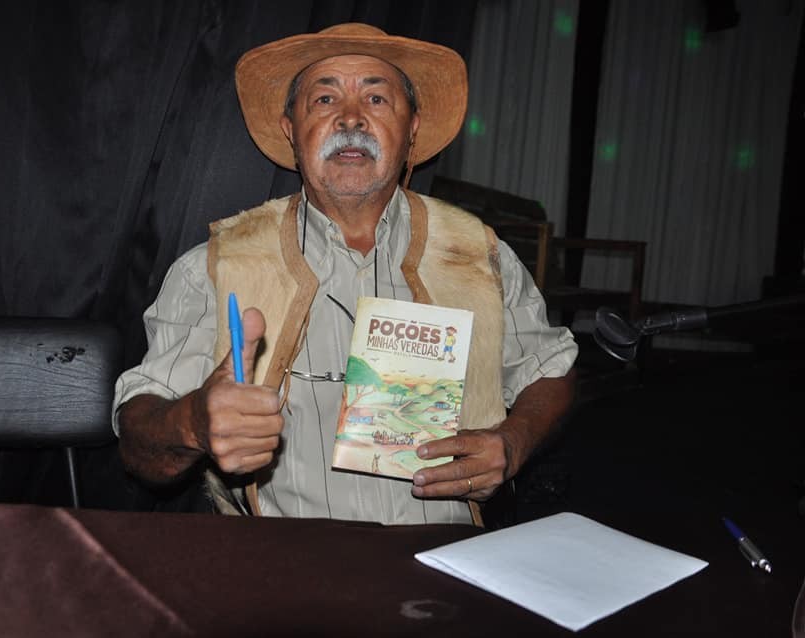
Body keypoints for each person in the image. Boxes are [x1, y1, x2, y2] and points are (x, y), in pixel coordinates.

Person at [114, 23, 577, 525]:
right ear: (291, 129)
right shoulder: (216, 266)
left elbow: (550, 370)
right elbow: (139, 441)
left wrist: (512, 442)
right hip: (285, 555)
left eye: (376, 99)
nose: (351, 117)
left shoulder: (478, 256)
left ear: (412, 128)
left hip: (444, 555)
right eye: (324, 99)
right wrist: (192, 423)